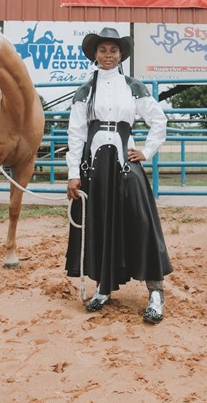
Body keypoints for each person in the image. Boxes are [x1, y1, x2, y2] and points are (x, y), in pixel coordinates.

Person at [65, 27, 172, 323]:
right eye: (103, 50)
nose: (108, 55)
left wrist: (147, 151)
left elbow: (158, 120)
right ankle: (104, 286)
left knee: (141, 220)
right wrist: (74, 173)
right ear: (95, 54)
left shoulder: (134, 86)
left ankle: (155, 291)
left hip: (126, 164)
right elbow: (76, 134)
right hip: (96, 167)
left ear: (121, 54)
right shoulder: (85, 91)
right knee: (100, 224)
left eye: (113, 50)